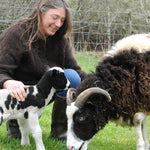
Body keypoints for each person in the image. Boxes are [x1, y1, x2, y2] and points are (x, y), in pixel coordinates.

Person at [0, 0, 87, 140]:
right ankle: (14, 123)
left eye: (62, 20)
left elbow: (75, 70)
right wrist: (8, 82)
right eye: (54, 17)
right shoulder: (17, 33)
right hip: (20, 92)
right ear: (41, 12)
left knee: (72, 77)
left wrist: (99, 81)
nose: (58, 24)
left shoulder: (61, 39)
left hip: (43, 91)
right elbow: (1, 69)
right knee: (17, 136)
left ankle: (59, 131)